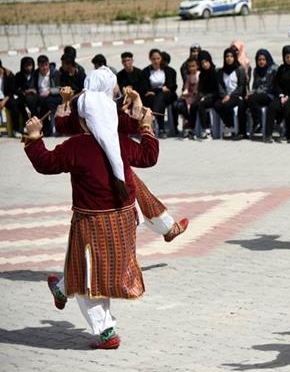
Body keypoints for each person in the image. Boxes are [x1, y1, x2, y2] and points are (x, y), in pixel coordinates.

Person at [24, 66, 159, 349]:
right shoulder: (119, 141)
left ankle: (106, 330)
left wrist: (34, 138)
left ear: (83, 119)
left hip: (91, 222)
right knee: (88, 266)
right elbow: (148, 156)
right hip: (122, 220)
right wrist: (146, 127)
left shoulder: (77, 147)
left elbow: (46, 163)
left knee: (90, 276)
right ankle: (61, 289)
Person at [55, 84, 189, 243]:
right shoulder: (112, 129)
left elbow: (61, 126)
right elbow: (146, 151)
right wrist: (146, 124)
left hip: (92, 209)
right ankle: (168, 228)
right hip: (111, 204)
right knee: (132, 205)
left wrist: (33, 138)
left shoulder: (81, 122)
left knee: (140, 196)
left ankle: (168, 228)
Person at [266, 46, 290, 143]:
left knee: (289, 108)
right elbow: (277, 84)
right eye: (287, 57)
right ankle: (268, 135)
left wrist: (288, 97)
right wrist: (281, 95)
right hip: (282, 96)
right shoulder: (281, 69)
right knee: (272, 107)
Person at [141, 48, 178, 138]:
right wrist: (160, 89)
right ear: (150, 59)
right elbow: (145, 87)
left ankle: (154, 117)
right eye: (154, 59)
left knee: (161, 96)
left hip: (168, 96)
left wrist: (157, 90)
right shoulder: (146, 71)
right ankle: (161, 129)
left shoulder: (169, 71)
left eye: (158, 58)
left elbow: (171, 86)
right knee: (157, 100)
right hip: (153, 97)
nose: (156, 61)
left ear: (161, 58)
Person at [214, 46, 247, 140]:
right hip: (225, 96)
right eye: (227, 56)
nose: (229, 58)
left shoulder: (239, 70)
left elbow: (241, 86)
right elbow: (220, 86)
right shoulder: (221, 71)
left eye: (231, 56)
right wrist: (224, 95)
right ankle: (229, 124)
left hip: (236, 95)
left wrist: (230, 96)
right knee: (217, 105)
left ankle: (234, 128)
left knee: (228, 105)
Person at [247, 49, 277, 137]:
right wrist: (251, 92)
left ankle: (258, 121)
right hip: (258, 95)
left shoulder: (274, 69)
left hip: (269, 95)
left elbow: (271, 87)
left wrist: (255, 93)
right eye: (259, 60)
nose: (261, 62)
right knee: (248, 99)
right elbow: (255, 85)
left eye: (263, 60)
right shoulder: (256, 70)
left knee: (252, 98)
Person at [175, 58, 200, 138]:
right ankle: (187, 124)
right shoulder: (188, 77)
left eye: (193, 66)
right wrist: (185, 93)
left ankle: (190, 126)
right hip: (189, 97)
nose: (192, 68)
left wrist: (190, 94)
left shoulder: (199, 75)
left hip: (196, 97)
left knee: (191, 107)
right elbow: (186, 87)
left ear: (197, 66)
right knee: (178, 105)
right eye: (190, 67)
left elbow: (197, 89)